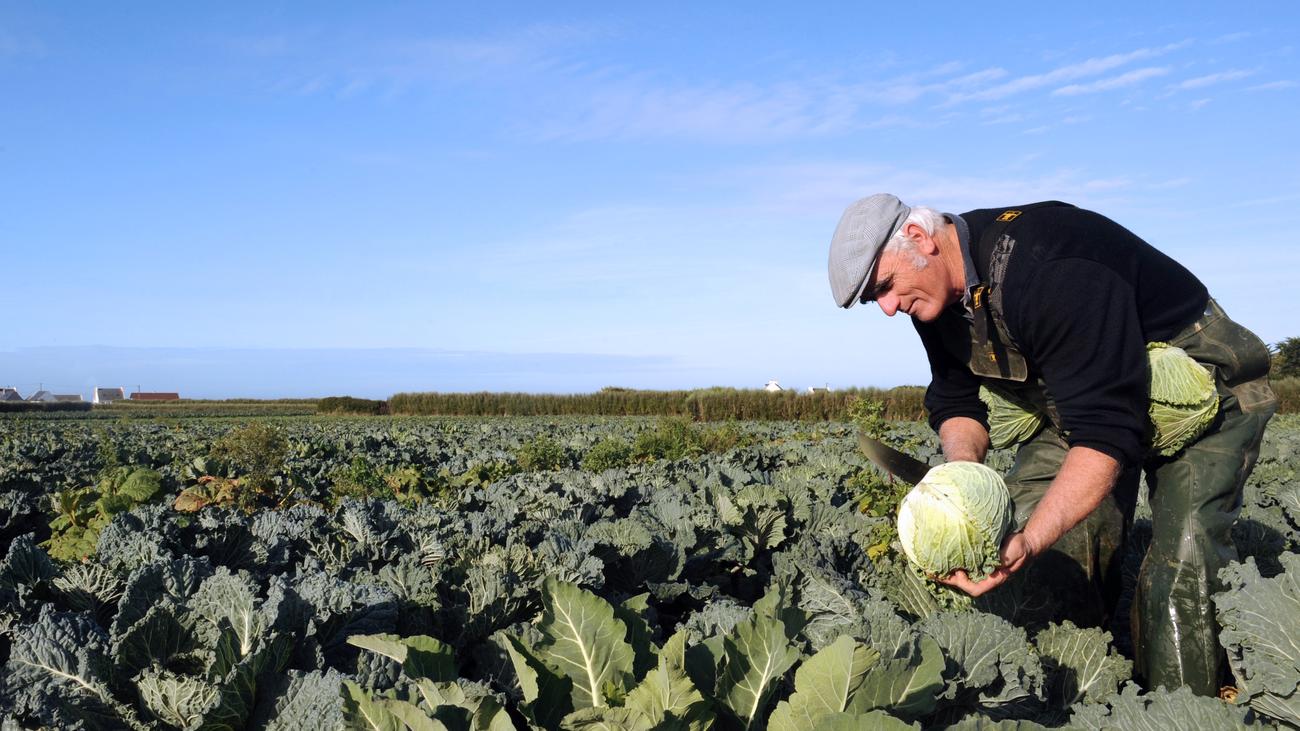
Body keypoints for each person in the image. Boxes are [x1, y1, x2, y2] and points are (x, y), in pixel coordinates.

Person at [827, 194, 1278, 695]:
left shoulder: (1051, 268)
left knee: (1183, 566)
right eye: (874, 300)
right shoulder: (936, 295)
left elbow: (1105, 434)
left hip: (1200, 385)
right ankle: (1073, 691)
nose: (889, 308)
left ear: (919, 238)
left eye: (885, 287)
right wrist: (962, 481)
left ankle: (1184, 707)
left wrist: (1030, 540)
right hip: (1086, 401)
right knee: (1050, 543)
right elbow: (957, 400)